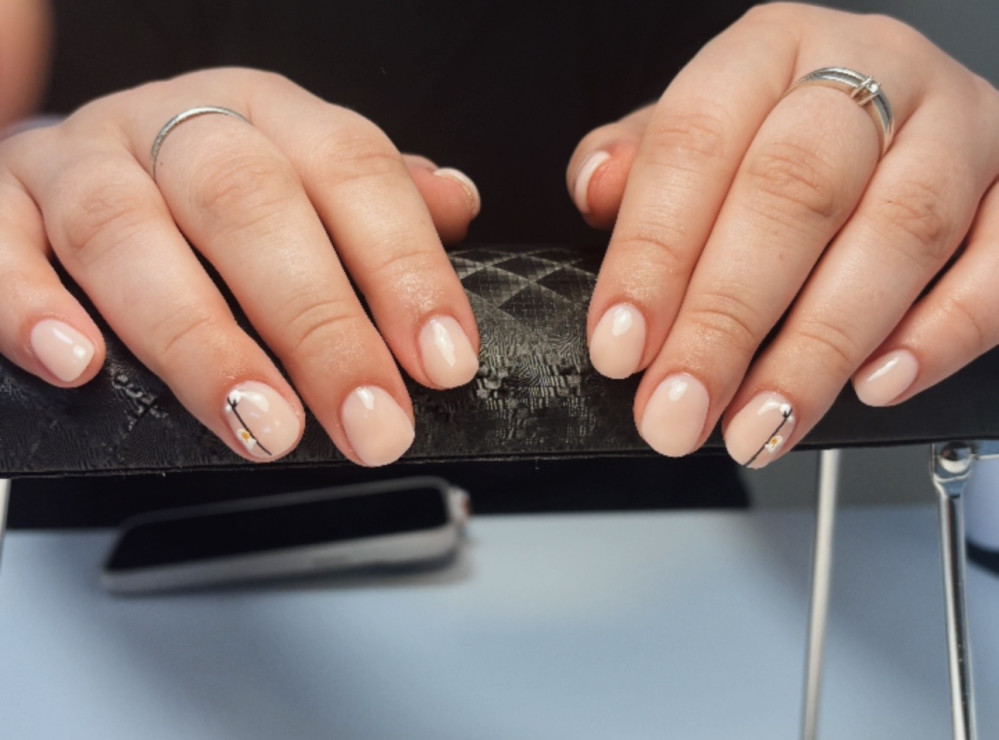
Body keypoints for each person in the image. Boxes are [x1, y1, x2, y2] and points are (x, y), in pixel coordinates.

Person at [3, 0, 998, 476]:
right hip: (97, 606)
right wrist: (42, 166)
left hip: (663, 599)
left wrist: (885, 125)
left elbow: (792, 85)